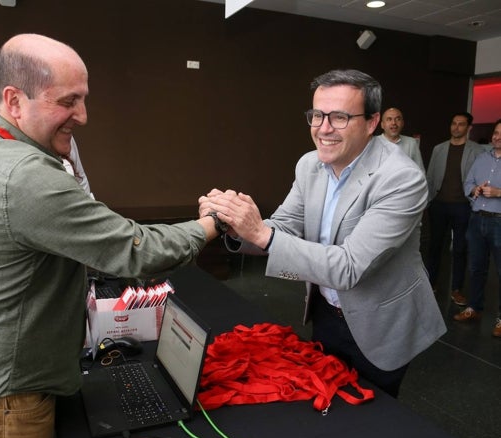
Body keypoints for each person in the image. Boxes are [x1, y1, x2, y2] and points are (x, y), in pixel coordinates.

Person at [0, 33, 220, 438]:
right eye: (67, 102)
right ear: (14, 101)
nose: (82, 116)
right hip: (3, 398)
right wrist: (212, 223)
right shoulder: (25, 176)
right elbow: (137, 251)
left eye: (83, 99)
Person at [198, 69, 446, 398]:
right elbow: (283, 226)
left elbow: (349, 266)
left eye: (339, 117)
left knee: (374, 419)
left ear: (372, 123)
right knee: (329, 406)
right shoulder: (309, 165)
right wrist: (234, 223)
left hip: (381, 323)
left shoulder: (401, 178)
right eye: (317, 115)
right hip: (326, 312)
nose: (323, 128)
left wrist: (260, 232)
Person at [425, 113, 486, 305]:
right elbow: (430, 176)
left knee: (460, 249)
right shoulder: (439, 149)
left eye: (461, 124)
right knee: (434, 246)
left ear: (468, 128)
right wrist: (428, 200)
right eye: (453, 124)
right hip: (439, 204)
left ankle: (456, 289)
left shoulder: (477, 151)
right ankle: (431, 283)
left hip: (463, 206)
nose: (456, 127)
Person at [455, 118, 501, 338]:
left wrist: (499, 192)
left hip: (499, 221)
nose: (496, 136)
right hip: (477, 220)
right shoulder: (482, 158)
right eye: (495, 132)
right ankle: (474, 308)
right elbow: (468, 182)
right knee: (476, 268)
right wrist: (474, 190)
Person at [378, 107, 425, 172]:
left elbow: (420, 172)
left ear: (402, 123)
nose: (394, 123)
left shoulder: (411, 143)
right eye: (389, 119)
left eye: (398, 119)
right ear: (382, 125)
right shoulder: (373, 143)